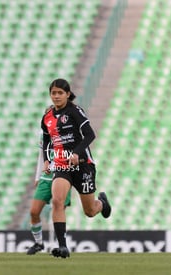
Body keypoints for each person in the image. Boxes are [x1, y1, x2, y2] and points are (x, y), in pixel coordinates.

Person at [41, 78, 111, 258]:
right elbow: (47, 139)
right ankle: (63, 246)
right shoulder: (47, 117)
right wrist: (47, 160)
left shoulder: (74, 111)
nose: (56, 96)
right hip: (62, 166)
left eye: (60, 93)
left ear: (67, 94)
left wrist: (77, 153)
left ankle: (101, 204)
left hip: (83, 166)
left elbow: (90, 134)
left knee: (89, 211)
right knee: (57, 201)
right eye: (53, 93)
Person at [27, 130, 71, 255]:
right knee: (34, 211)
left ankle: (61, 245)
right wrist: (37, 177)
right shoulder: (43, 133)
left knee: (58, 210)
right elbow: (41, 155)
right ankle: (39, 243)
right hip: (46, 178)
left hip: (63, 175)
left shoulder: (68, 131)